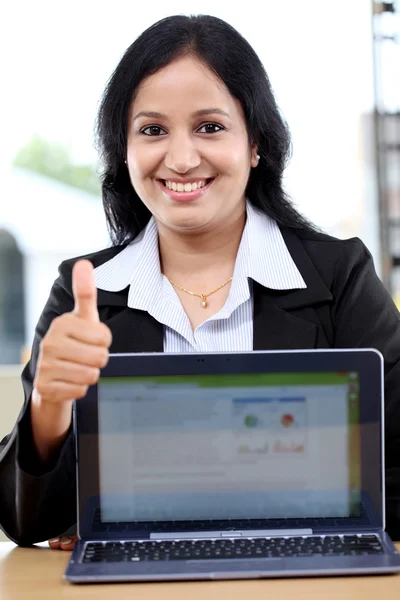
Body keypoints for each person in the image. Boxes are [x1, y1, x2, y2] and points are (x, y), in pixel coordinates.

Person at [1, 13, 400, 551]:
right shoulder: (85, 291)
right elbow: (27, 526)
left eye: (210, 127)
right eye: (152, 130)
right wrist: (50, 404)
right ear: (124, 149)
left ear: (256, 143)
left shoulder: (340, 277)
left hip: (300, 579)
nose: (182, 158)